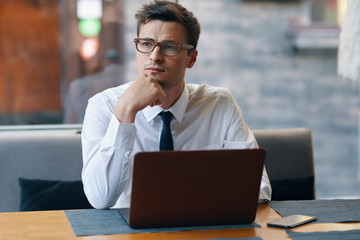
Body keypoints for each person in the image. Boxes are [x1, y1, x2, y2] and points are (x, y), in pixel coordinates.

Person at [81, 0, 271, 209]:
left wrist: (187, 202)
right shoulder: (104, 106)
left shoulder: (219, 105)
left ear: (191, 58)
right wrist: (125, 112)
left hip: (202, 229)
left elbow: (259, 188)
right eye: (146, 44)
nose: (154, 56)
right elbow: (100, 199)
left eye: (169, 47)